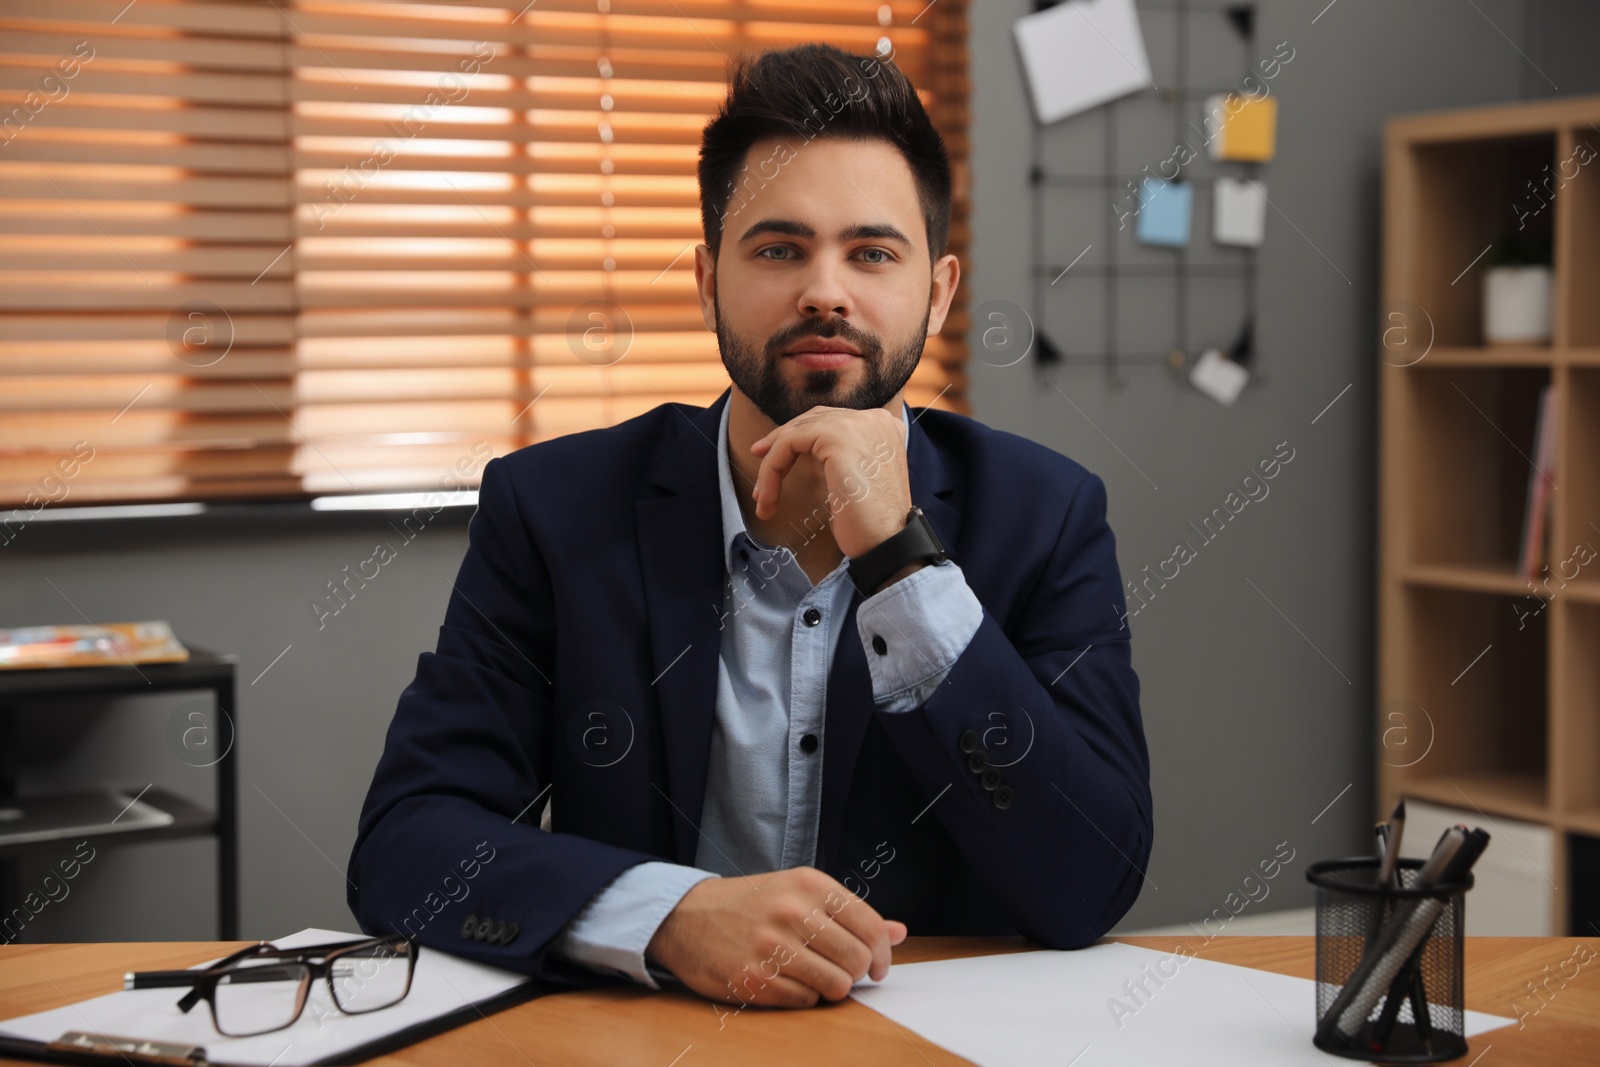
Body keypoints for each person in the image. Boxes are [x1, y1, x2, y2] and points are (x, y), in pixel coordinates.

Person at [348, 41, 1151, 1011]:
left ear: (936, 293)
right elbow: (407, 842)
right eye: (778, 249)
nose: (825, 290)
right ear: (706, 281)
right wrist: (667, 914)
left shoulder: (1047, 514)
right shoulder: (551, 507)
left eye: (870, 252)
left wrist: (901, 561)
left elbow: (1088, 880)